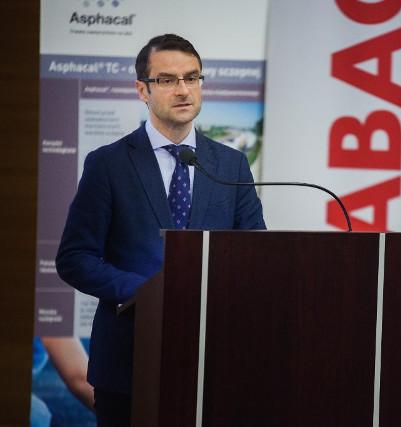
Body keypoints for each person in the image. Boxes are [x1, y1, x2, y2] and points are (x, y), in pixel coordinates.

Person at [56, 34, 265, 426]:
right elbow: (74, 258)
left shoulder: (231, 165)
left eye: (192, 77)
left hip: (214, 361)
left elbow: (256, 253)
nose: (183, 90)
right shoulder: (108, 164)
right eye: (167, 80)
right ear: (143, 90)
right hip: (129, 360)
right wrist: (146, 293)